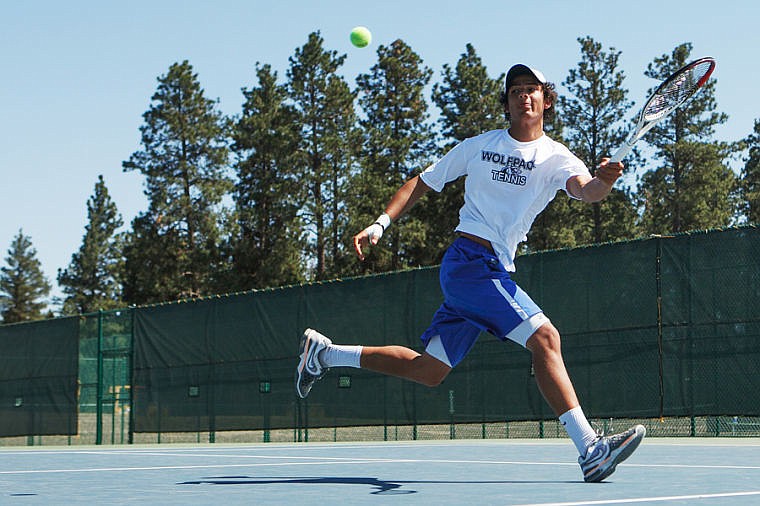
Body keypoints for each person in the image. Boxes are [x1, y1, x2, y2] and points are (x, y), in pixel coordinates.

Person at [295, 64, 645, 482]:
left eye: (532, 89)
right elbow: (421, 182)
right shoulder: (479, 146)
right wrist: (380, 223)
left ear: (546, 100)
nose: (524, 96)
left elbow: (587, 192)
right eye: (515, 90)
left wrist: (605, 179)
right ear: (508, 103)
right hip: (468, 264)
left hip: (493, 269)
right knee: (545, 338)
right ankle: (590, 449)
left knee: (428, 370)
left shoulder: (557, 157)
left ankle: (325, 354)